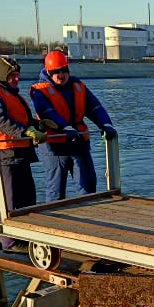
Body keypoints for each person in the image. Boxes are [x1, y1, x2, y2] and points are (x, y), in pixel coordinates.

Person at [0, 55, 47, 251]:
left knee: (27, 195)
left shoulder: (10, 93)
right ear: (2, 76)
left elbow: (21, 119)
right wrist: (26, 131)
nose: (16, 79)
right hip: (2, 153)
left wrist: (37, 125)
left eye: (17, 75)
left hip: (17, 151)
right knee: (8, 197)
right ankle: (10, 242)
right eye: (12, 76)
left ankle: (25, 234)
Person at [29, 50, 117, 202]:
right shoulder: (40, 91)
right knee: (55, 190)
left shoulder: (78, 86)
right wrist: (64, 128)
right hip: (54, 146)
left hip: (79, 142)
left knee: (88, 186)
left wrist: (106, 124)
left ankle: (90, 217)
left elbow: (94, 107)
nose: (61, 75)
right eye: (56, 72)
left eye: (63, 71)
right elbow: (47, 112)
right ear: (48, 73)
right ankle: (56, 220)